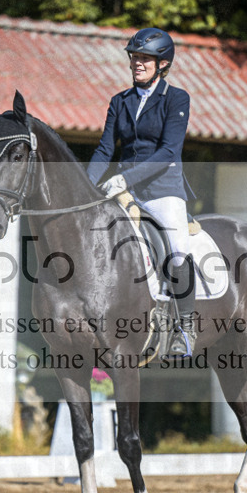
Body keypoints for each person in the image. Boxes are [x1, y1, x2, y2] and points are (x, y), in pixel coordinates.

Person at [87, 27, 197, 356]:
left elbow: (167, 153)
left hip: (162, 190)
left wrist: (125, 179)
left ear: (162, 64)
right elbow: (105, 150)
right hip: (124, 194)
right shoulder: (119, 102)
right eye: (134, 57)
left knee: (177, 249)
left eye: (145, 59)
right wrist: (85, 186)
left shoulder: (176, 99)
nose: (137, 63)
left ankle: (185, 327)